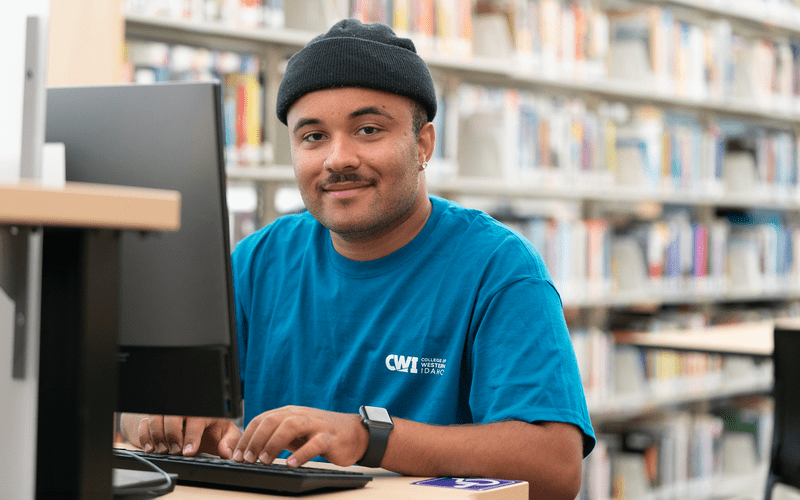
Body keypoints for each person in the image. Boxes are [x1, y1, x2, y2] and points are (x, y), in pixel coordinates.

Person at [120, 19, 595, 500]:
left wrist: (367, 436)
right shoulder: (260, 259)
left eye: (368, 130)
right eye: (313, 137)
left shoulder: (498, 268)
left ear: (423, 144)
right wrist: (161, 422)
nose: (337, 158)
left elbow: (554, 465)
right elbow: (134, 410)